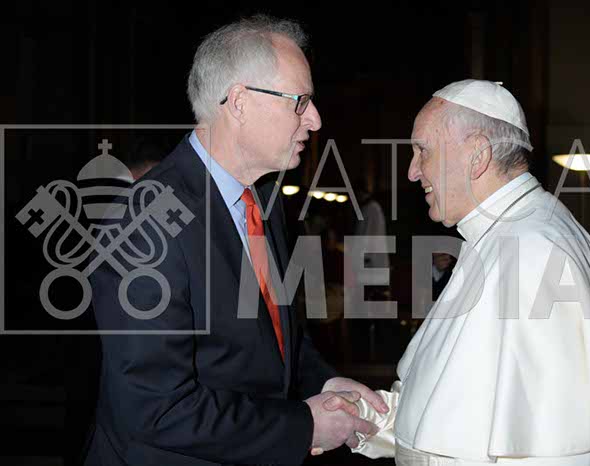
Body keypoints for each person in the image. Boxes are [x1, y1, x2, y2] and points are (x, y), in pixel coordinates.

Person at [83, 16, 386, 466]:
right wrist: (303, 426)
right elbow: (156, 409)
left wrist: (323, 383)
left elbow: (275, 338)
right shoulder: (144, 222)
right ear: (240, 102)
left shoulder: (263, 200)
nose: (315, 119)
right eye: (300, 102)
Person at [351, 80, 590, 465]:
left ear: (477, 155)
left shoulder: (534, 250)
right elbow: (446, 412)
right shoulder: (499, 233)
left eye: (422, 151)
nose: (413, 172)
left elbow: (550, 449)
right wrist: (360, 418)